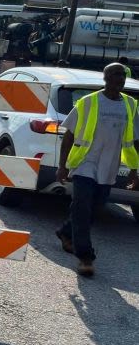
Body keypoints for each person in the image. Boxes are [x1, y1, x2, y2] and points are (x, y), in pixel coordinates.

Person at [55, 63, 139, 276]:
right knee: (82, 207)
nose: (120, 78)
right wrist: (62, 166)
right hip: (85, 165)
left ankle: (66, 232)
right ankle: (85, 257)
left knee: (94, 208)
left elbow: (134, 141)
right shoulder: (88, 102)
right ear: (106, 77)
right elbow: (69, 135)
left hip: (109, 169)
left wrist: (135, 169)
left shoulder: (130, 105)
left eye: (122, 75)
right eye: (115, 74)